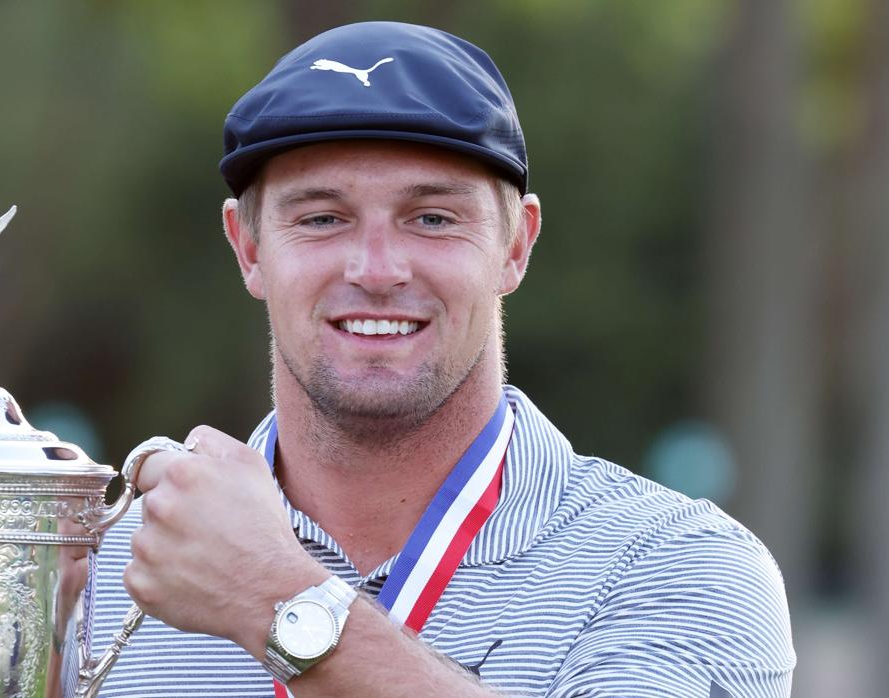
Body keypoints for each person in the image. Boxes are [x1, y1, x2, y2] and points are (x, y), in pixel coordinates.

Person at [85, 21, 795, 697]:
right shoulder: (104, 569)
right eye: (321, 217)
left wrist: (273, 599)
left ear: (515, 245)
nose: (376, 268)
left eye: (432, 218)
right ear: (247, 247)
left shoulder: (676, 565)